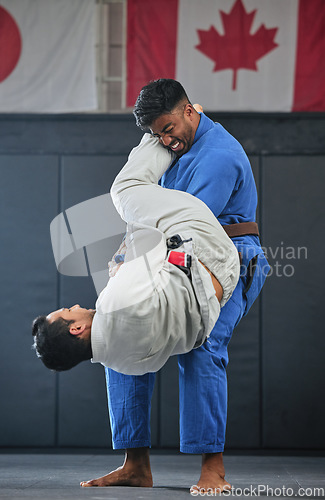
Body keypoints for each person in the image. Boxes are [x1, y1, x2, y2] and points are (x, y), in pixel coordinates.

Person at [79, 79, 270, 494]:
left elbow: (189, 227)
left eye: (168, 128)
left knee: (203, 342)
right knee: (117, 332)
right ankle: (135, 463)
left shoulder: (218, 157)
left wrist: (135, 261)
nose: (166, 140)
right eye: (155, 135)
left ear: (188, 111)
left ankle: (213, 468)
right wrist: (122, 257)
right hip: (174, 249)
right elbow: (151, 217)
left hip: (229, 255)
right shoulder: (170, 143)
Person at [32, 132, 240, 376]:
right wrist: (126, 255)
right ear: (76, 328)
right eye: (68, 310)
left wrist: (124, 267)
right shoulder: (112, 304)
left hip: (220, 289)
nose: (75, 305)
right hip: (211, 254)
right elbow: (148, 235)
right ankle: (164, 132)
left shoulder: (123, 364)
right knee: (125, 192)